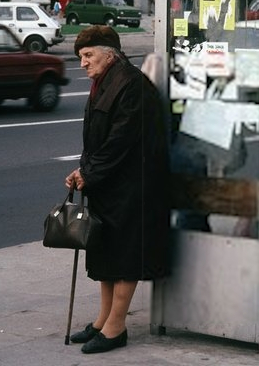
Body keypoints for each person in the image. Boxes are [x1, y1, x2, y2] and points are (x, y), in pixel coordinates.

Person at [65, 25, 170, 354]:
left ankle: (116, 327)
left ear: (109, 53)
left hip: (132, 187)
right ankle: (102, 320)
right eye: (81, 57)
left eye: (88, 55)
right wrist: (83, 170)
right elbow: (95, 139)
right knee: (107, 252)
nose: (83, 62)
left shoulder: (131, 84)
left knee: (125, 255)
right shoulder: (104, 81)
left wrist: (90, 172)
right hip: (109, 185)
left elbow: (121, 140)